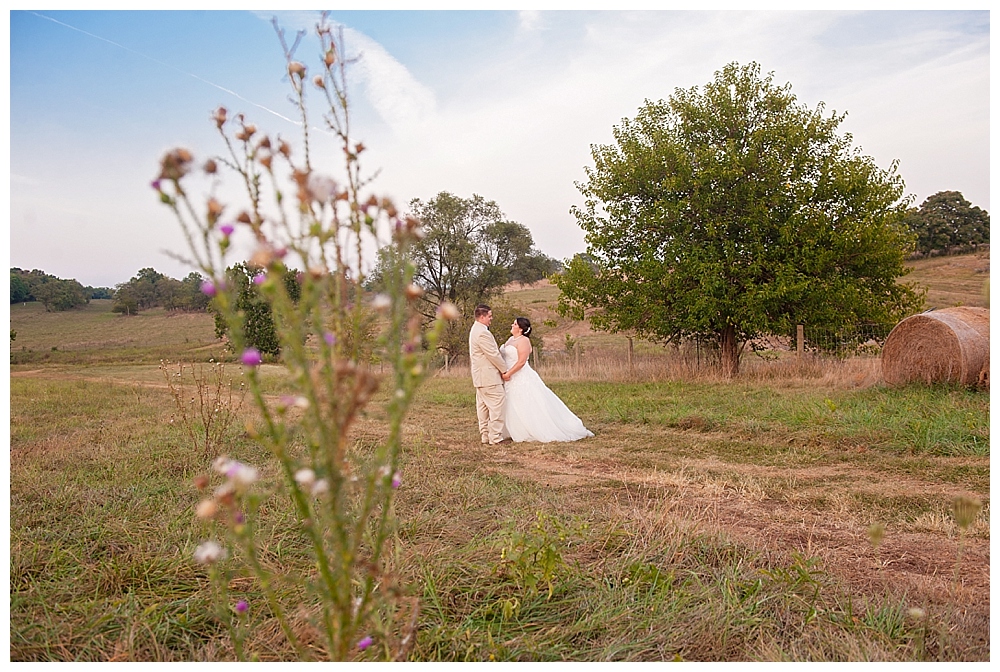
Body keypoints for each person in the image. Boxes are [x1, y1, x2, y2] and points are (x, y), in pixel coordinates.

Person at [500, 317, 594, 443]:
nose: (512, 324)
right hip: (509, 378)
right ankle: (512, 429)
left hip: (520, 376)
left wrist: (509, 373)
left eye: (515, 324)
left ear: (521, 329)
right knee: (512, 402)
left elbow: (521, 361)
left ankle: (533, 429)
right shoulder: (511, 339)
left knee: (528, 402)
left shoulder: (524, 341)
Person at [468, 304, 510, 445]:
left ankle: (485, 435)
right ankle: (495, 437)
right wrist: (504, 370)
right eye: (489, 316)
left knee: (483, 407)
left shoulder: (475, 330)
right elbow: (493, 354)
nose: (491, 319)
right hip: (488, 376)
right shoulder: (482, 333)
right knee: (497, 404)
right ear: (482, 316)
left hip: (480, 377)